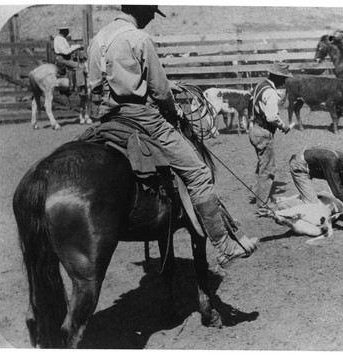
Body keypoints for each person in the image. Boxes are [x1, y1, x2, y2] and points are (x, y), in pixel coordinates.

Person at [87, 5, 258, 268]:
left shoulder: (98, 39)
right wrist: (172, 111)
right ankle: (224, 246)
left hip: (108, 120)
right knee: (199, 172)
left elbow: (98, 86)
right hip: (142, 118)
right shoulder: (139, 39)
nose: (152, 18)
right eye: (152, 12)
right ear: (142, 11)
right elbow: (160, 92)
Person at [249, 62, 292, 214]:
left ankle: (255, 193)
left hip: (254, 128)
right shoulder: (272, 93)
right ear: (279, 77)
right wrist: (283, 126)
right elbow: (272, 117)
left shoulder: (260, 85)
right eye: (284, 78)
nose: (285, 82)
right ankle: (262, 207)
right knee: (268, 169)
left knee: (261, 163)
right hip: (264, 131)